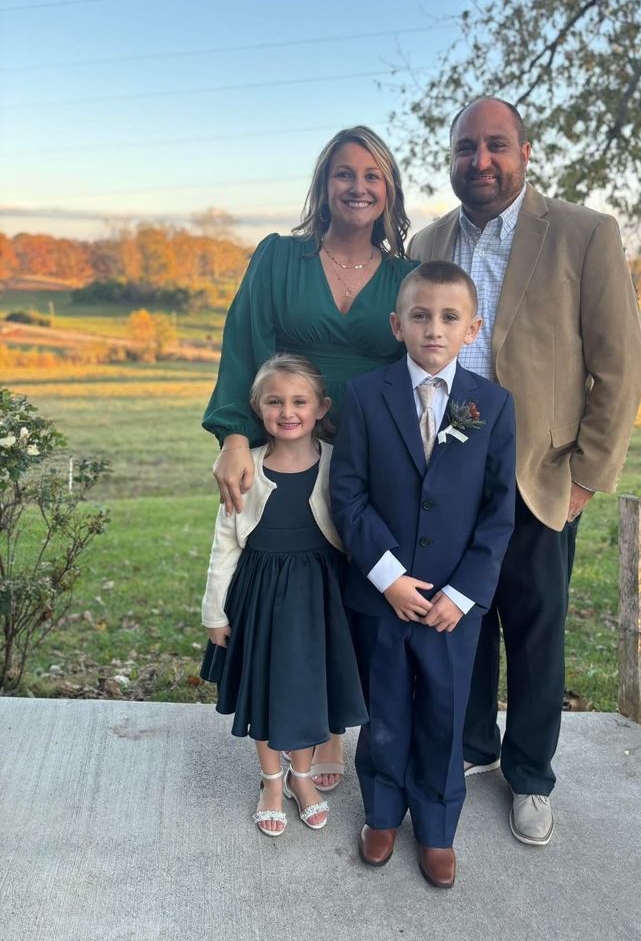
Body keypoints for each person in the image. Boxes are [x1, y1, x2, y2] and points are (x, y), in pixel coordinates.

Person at [409, 97, 641, 846]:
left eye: (496, 145)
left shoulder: (583, 234)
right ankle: (475, 747)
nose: (480, 160)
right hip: (445, 477)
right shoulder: (427, 241)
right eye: (465, 148)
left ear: (526, 152)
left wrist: (583, 479)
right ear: (449, 158)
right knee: (461, 624)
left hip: (539, 480)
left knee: (535, 633)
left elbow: (620, 365)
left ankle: (532, 773)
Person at [202, 126, 417, 789]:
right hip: (288, 451)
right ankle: (285, 729)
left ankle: (332, 727)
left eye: (372, 176)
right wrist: (236, 436)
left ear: (389, 191)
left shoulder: (409, 277)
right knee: (288, 590)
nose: (358, 187)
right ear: (324, 186)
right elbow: (245, 345)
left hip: (373, 458)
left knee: (351, 597)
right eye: (344, 174)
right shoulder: (278, 258)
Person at [330, 261, 516, 888]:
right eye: (420, 315)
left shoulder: (486, 405)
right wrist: (387, 576)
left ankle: (437, 827)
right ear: (397, 323)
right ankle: (382, 811)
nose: (433, 328)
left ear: (472, 328)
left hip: (451, 603)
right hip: (383, 594)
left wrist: (463, 592)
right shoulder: (365, 396)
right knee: (385, 709)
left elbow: (497, 513)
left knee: (445, 709)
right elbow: (348, 495)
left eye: (448, 317)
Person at [200, 353, 368, 837]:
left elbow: (356, 533)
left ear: (321, 407)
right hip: (260, 598)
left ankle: (302, 777)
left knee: (308, 691)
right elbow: (225, 542)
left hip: (320, 600)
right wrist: (214, 611)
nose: (287, 411)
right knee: (269, 692)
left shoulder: (339, 464)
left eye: (299, 401)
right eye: (274, 401)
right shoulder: (245, 468)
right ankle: (271, 783)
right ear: (257, 408)